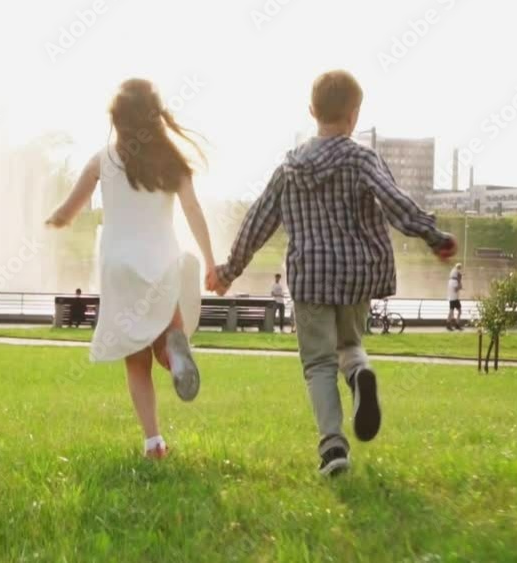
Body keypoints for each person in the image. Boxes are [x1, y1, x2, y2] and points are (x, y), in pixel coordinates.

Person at [207, 70, 456, 476]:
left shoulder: (289, 169)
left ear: (311, 111)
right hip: (356, 275)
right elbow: (395, 200)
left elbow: (257, 222)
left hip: (310, 278)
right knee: (350, 344)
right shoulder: (361, 158)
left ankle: (333, 448)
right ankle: (360, 376)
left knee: (319, 363)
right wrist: (432, 234)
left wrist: (230, 270)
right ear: (354, 115)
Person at [46, 78, 217, 460]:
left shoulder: (101, 160)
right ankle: (174, 356)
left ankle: (153, 442)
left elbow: (69, 210)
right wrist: (209, 260)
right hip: (163, 264)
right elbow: (193, 211)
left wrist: (51, 221)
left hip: (120, 270)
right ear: (155, 118)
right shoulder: (173, 164)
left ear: (117, 120)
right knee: (168, 333)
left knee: (136, 362)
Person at [447, 263, 463, 331]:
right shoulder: (454, 281)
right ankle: (450, 324)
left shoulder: (451, 280)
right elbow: (457, 288)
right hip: (454, 298)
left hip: (453, 298)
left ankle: (454, 324)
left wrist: (459, 281)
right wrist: (460, 283)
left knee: (455, 311)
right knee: (455, 311)